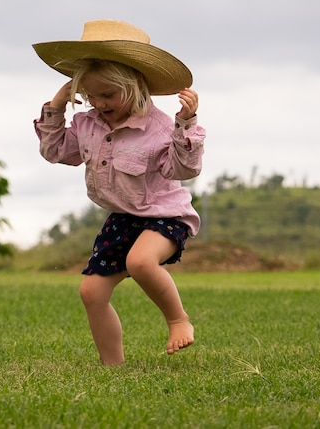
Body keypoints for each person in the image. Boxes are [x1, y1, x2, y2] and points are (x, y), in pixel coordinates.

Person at [32, 19, 205, 365]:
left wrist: (185, 124)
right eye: (90, 95)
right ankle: (113, 367)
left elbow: (184, 170)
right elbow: (55, 152)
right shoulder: (86, 124)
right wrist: (57, 104)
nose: (99, 103)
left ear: (136, 86)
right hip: (123, 218)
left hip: (165, 215)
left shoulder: (158, 129)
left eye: (108, 94)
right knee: (91, 292)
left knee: (140, 262)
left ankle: (177, 319)